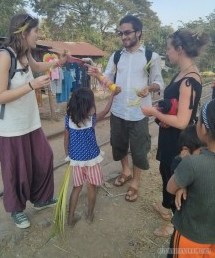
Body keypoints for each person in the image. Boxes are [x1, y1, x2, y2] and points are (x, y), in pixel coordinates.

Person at [0, 13, 66, 229]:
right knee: (15, 169)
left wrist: (59, 62)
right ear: (24, 33)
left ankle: (41, 199)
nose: (38, 35)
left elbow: (38, 67)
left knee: (44, 157)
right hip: (9, 126)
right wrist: (31, 86)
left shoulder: (25, 53)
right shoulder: (4, 57)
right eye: (36, 31)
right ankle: (16, 209)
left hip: (30, 122)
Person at [87, 15, 163, 202]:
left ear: (138, 32)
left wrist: (150, 88)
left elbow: (158, 81)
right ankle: (125, 171)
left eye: (127, 32)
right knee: (119, 145)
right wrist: (98, 75)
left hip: (139, 113)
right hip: (118, 110)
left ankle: (135, 182)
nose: (123, 37)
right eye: (121, 33)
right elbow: (107, 77)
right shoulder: (117, 56)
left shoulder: (151, 56)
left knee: (138, 149)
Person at [141, 28, 209, 237]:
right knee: (165, 171)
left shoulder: (189, 80)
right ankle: (165, 205)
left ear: (179, 49)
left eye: (169, 48)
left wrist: (153, 112)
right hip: (169, 136)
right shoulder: (182, 73)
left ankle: (173, 223)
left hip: (177, 139)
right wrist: (160, 106)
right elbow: (175, 104)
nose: (167, 53)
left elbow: (182, 121)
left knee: (175, 176)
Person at [64, 87, 120, 226]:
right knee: (91, 187)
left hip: (76, 160)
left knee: (76, 187)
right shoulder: (91, 119)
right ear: (88, 104)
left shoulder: (68, 119)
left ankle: (70, 219)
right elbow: (106, 110)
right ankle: (90, 215)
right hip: (92, 160)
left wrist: (68, 156)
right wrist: (112, 95)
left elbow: (66, 140)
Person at [167, 100, 215, 257]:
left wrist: (184, 182)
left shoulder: (192, 163)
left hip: (192, 236)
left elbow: (170, 187)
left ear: (202, 128)